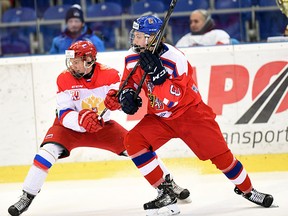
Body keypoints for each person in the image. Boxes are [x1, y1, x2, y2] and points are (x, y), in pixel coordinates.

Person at [105, 15, 274, 215]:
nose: (135, 40)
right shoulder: (132, 57)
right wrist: (127, 97)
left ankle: (247, 190)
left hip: (191, 115)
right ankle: (164, 190)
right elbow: (128, 83)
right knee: (133, 141)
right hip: (159, 117)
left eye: (141, 36)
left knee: (222, 157)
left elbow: (174, 99)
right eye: (135, 35)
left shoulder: (176, 59)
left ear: (154, 38)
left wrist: (159, 77)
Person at [7, 40, 190, 216]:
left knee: (138, 148)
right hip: (69, 127)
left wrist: (115, 103)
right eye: (71, 61)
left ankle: (168, 184)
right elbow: (62, 112)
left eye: (76, 61)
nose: (72, 65)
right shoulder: (63, 78)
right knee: (47, 152)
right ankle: (27, 195)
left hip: (102, 127)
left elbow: (116, 103)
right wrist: (80, 120)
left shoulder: (110, 75)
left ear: (89, 61)